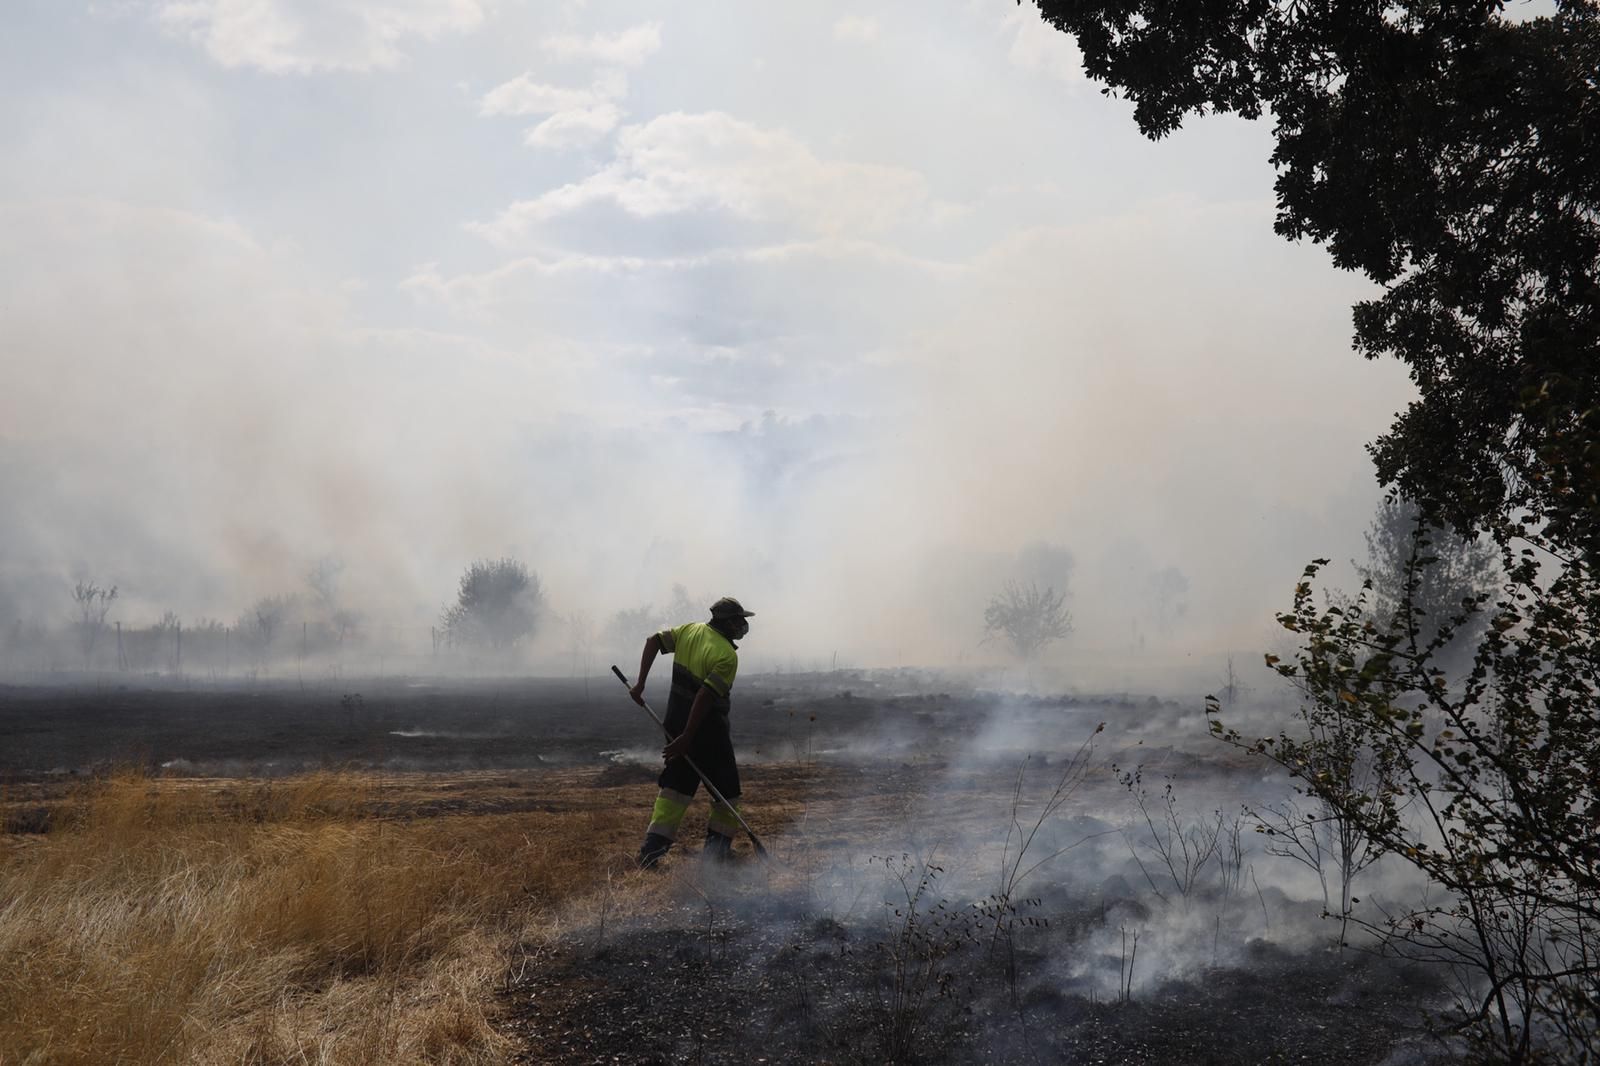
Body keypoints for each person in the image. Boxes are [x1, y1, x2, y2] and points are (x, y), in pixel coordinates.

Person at [630, 596, 755, 869]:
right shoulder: (726, 655)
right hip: (706, 733)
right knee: (727, 794)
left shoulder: (690, 630)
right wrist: (688, 737)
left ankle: (651, 854)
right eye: (738, 620)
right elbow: (705, 696)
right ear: (726, 622)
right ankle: (716, 856)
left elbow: (653, 640)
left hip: (674, 725)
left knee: (675, 789)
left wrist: (640, 684)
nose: (743, 625)